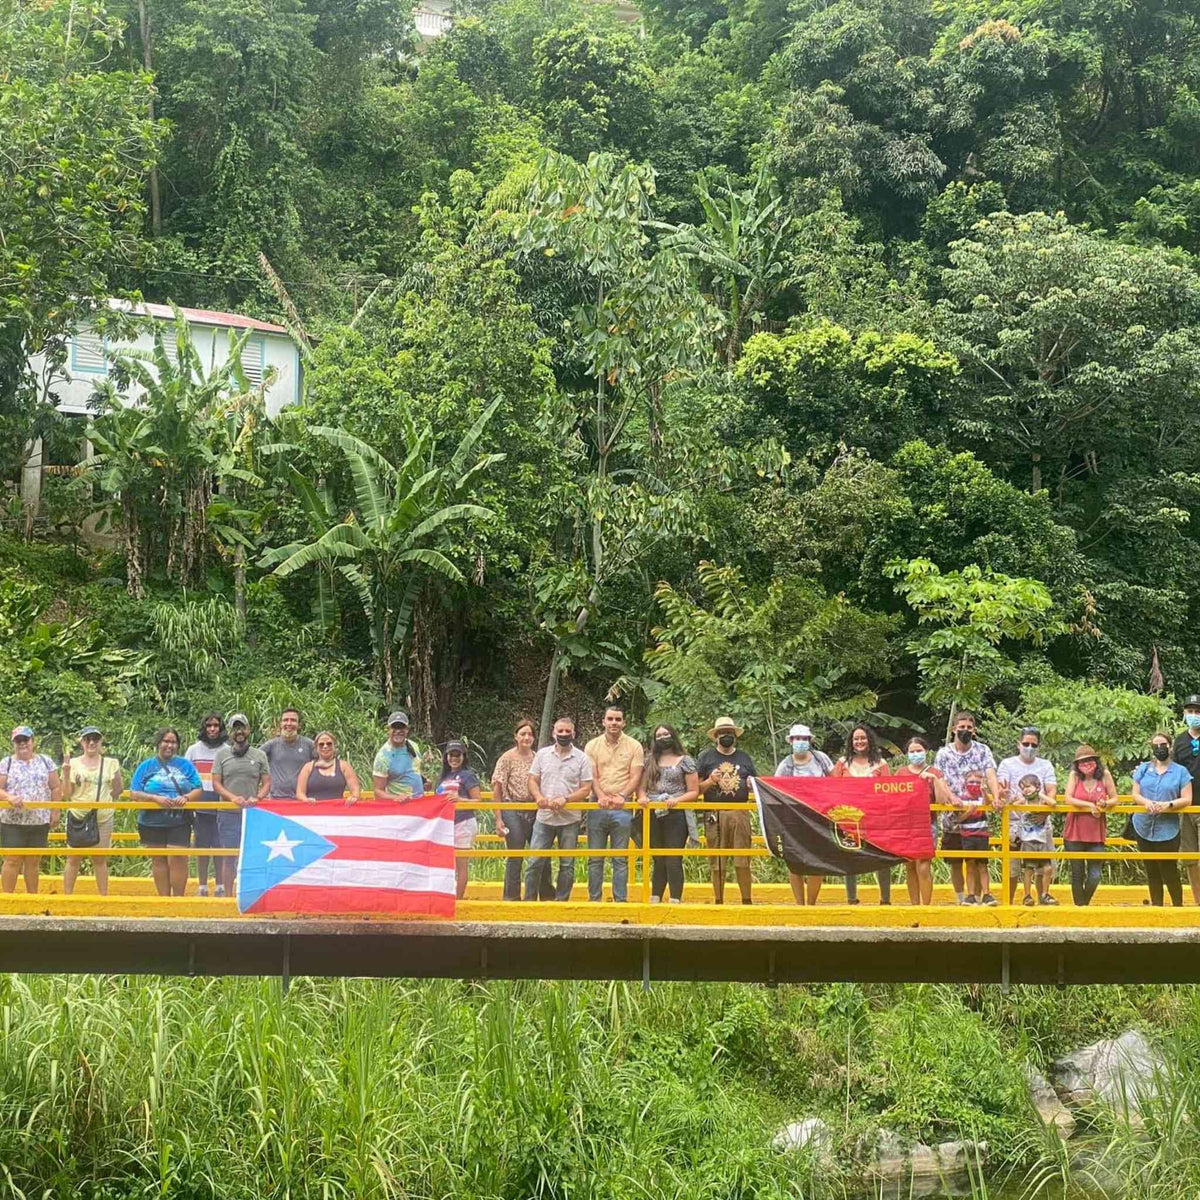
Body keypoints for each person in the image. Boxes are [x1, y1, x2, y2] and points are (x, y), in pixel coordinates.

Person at [934, 712, 1001, 905]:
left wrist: (996, 796)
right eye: (961, 727)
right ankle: (961, 897)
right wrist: (951, 797)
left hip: (977, 819)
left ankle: (979, 897)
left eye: (969, 728)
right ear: (954, 729)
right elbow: (940, 779)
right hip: (953, 817)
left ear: (974, 730)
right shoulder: (943, 754)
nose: (965, 731)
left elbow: (991, 775)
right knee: (957, 861)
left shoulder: (982, 751)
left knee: (978, 860)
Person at [526, 716, 593, 902]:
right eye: (560, 731)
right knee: (535, 861)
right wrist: (539, 797)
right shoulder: (542, 754)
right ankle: (529, 901)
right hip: (544, 817)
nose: (564, 734)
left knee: (567, 864)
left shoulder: (582, 758)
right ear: (553, 733)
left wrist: (566, 799)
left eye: (567, 731)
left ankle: (562, 901)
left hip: (569, 819)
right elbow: (532, 779)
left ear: (574, 733)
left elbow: (586, 788)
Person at [130, 728, 202, 897]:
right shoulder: (146, 766)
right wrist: (154, 798)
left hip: (180, 820)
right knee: (159, 859)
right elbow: (134, 792)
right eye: (166, 741)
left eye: (173, 742)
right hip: (151, 821)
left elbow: (198, 788)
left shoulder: (185, 765)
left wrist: (186, 797)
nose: (169, 745)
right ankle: (163, 900)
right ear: (158, 744)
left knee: (177, 858)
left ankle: (178, 900)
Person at [584, 706, 644, 903]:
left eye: (618, 719)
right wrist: (600, 795)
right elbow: (591, 775)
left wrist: (622, 795)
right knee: (595, 858)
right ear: (603, 721)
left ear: (623, 722)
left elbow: (636, 776)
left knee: (620, 858)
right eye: (610, 719)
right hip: (597, 806)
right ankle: (594, 900)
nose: (614, 723)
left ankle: (620, 900)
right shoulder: (592, 746)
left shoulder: (634, 746)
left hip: (622, 808)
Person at [697, 716, 757, 905]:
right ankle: (718, 900)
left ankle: (747, 900)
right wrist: (710, 781)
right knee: (717, 862)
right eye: (722, 733)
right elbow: (695, 788)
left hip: (740, 812)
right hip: (715, 813)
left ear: (735, 735)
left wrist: (750, 785)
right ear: (716, 736)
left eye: (729, 733)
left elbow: (755, 784)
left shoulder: (744, 757)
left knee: (742, 859)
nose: (726, 736)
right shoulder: (705, 758)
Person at [832, 723, 893, 904]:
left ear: (869, 740)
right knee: (850, 858)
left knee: (881, 858)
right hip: (848, 819)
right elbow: (832, 789)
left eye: (863, 738)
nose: (860, 741)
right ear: (851, 742)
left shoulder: (881, 764)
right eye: (856, 738)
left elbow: (889, 790)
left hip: (876, 820)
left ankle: (885, 900)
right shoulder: (842, 763)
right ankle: (851, 899)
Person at [774, 722, 834, 905]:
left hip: (819, 817)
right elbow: (774, 788)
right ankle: (800, 904)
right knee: (795, 862)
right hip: (794, 820)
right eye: (797, 739)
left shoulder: (821, 759)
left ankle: (812, 903)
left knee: (817, 862)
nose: (800, 742)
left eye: (804, 739)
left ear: (810, 741)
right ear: (791, 741)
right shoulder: (786, 765)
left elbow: (835, 782)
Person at [997, 726, 1059, 905]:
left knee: (1042, 866)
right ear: (1019, 744)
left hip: (1040, 824)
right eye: (1026, 744)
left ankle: (1042, 901)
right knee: (1013, 867)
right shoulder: (1007, 764)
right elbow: (1002, 790)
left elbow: (1052, 790)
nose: (1029, 748)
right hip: (1015, 824)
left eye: (1034, 745)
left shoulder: (1045, 765)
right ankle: (1008, 903)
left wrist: (1043, 813)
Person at [211, 714, 270, 897]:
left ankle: (250, 894)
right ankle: (228, 896)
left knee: (253, 856)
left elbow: (267, 783)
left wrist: (258, 797)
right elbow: (216, 784)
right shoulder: (221, 754)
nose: (239, 732)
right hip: (228, 813)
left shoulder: (259, 755)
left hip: (253, 813)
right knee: (229, 856)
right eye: (235, 728)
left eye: (242, 728)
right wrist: (232, 798)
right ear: (230, 732)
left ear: (248, 729)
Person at [1131, 732, 1192, 907]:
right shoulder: (1143, 769)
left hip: (1168, 829)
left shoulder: (1181, 771)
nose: (1159, 748)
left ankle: (1177, 908)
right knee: (1151, 870)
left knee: (1169, 869)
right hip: (1143, 826)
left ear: (1170, 746)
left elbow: (1187, 798)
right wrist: (1146, 802)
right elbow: (1135, 793)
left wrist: (1169, 805)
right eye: (1156, 745)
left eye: (1163, 744)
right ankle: (1157, 907)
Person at [0, 726, 62, 895]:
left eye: (25, 740)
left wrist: (55, 812)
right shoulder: (7, 763)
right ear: (13, 743)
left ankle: (32, 899)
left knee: (33, 861)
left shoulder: (45, 761)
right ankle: (7, 899)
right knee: (12, 860)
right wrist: (9, 798)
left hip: (39, 819)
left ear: (32, 741)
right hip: (12, 820)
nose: (22, 744)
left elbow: (55, 787)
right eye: (18, 741)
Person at [492, 720, 550, 901]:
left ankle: (545, 895)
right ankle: (511, 897)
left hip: (534, 809)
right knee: (516, 853)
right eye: (523, 734)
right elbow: (497, 788)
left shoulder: (537, 758)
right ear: (515, 736)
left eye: (530, 734)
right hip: (512, 808)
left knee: (541, 853)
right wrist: (498, 818)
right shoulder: (507, 758)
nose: (526, 738)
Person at [641, 724, 698, 903]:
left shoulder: (685, 760)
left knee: (673, 858)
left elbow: (693, 791)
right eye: (659, 735)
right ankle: (655, 897)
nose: (663, 737)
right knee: (658, 857)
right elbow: (641, 788)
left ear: (673, 735)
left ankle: (675, 898)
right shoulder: (649, 761)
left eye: (666, 734)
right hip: (654, 813)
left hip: (676, 814)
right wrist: (642, 797)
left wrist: (677, 800)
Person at [61, 727, 122, 896]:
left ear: (101, 741)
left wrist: (116, 779)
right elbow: (66, 794)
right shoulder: (72, 764)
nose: (92, 742)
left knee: (100, 859)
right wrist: (66, 773)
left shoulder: (111, 763)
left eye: (96, 738)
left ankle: (103, 897)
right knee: (73, 858)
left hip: (102, 816)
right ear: (82, 742)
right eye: (88, 739)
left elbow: (117, 791)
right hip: (78, 816)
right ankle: (67, 898)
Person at [893, 736, 948, 906]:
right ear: (907, 753)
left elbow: (942, 800)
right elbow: (894, 798)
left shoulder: (935, 773)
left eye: (919, 751)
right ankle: (914, 905)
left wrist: (933, 779)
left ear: (926, 752)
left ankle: (926, 906)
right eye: (912, 751)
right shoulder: (901, 773)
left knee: (923, 865)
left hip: (927, 824)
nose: (916, 754)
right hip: (906, 825)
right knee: (909, 865)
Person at [1062, 743, 1116, 906]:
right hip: (1075, 832)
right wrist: (1089, 806)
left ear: (1096, 761)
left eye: (1089, 761)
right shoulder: (1075, 776)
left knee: (1095, 875)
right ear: (1077, 765)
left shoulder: (1105, 775)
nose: (1086, 765)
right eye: (1082, 762)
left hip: (1096, 833)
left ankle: (1084, 902)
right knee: (1077, 872)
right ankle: (1081, 907)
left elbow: (1114, 798)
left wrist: (1105, 805)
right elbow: (1068, 798)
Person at [184, 712, 227, 896]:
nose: (212, 729)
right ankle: (202, 886)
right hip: (199, 803)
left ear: (221, 728)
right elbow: (185, 776)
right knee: (202, 846)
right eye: (209, 725)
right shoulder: (194, 750)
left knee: (219, 846)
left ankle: (220, 886)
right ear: (204, 728)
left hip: (221, 803)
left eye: (216, 725)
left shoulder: (227, 750)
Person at [436, 740, 481, 899]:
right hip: (446, 825)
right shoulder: (443, 777)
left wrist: (460, 799)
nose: (454, 758)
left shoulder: (468, 776)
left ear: (463, 757)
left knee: (461, 864)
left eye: (457, 755)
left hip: (463, 822)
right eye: (451, 755)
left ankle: (459, 898)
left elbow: (477, 801)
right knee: (447, 864)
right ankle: (448, 895)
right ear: (446, 757)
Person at [1008, 774, 1058, 906]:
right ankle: (1027, 895)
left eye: (1028, 786)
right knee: (1029, 870)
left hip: (1041, 840)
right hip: (1028, 841)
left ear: (1037, 786)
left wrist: (1040, 794)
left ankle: (1044, 894)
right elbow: (1012, 805)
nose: (1025, 790)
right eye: (1023, 788)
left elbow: (1053, 803)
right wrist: (1015, 798)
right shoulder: (1024, 801)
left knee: (1047, 868)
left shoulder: (1042, 801)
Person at [1170, 694, 1200, 904]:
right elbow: (1172, 772)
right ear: (1184, 714)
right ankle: (1198, 900)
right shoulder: (1180, 742)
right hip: (1187, 807)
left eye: (1197, 712)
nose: (1194, 715)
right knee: (1190, 857)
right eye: (1190, 712)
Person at [955, 767, 996, 905]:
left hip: (982, 836)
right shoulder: (961, 799)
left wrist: (984, 790)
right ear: (965, 782)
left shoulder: (982, 798)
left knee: (983, 866)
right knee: (970, 866)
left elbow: (988, 803)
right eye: (971, 782)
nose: (974, 785)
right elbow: (958, 819)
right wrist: (969, 811)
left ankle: (987, 894)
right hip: (967, 836)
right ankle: (971, 895)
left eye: (977, 782)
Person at [260, 707, 314, 800]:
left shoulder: (309, 745)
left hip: (302, 801)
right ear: (280, 724)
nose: (289, 723)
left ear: (299, 725)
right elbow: (253, 760)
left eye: (293, 720)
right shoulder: (271, 745)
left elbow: (326, 763)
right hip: (276, 800)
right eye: (285, 720)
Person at [296, 732, 362, 803]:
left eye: (329, 744)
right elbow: (300, 793)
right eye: (321, 744)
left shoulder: (344, 766)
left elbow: (356, 790)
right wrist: (306, 800)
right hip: (312, 811)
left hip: (337, 811)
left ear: (334, 746)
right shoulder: (308, 767)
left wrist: (353, 798)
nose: (325, 746)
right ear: (316, 748)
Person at [372, 711, 424, 798]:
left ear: (407, 729)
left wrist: (424, 781)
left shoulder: (414, 746)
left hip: (419, 803)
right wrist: (396, 798)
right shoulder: (383, 757)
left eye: (401, 727)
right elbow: (378, 791)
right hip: (399, 807)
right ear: (388, 729)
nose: (398, 731)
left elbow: (414, 770)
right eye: (394, 727)